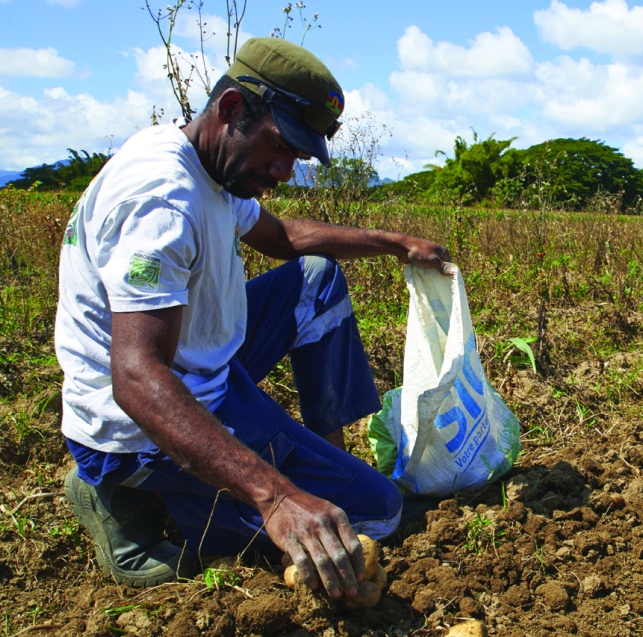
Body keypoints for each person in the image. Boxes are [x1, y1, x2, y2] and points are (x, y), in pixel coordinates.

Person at [54, 37, 451, 602]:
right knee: (375, 512)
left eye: (298, 157)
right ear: (233, 109)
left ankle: (323, 464)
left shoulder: (211, 165)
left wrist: (395, 243)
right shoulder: (160, 202)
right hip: (136, 422)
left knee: (315, 278)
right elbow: (137, 376)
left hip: (201, 367)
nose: (286, 170)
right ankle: (127, 491)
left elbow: (284, 237)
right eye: (280, 147)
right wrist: (277, 496)